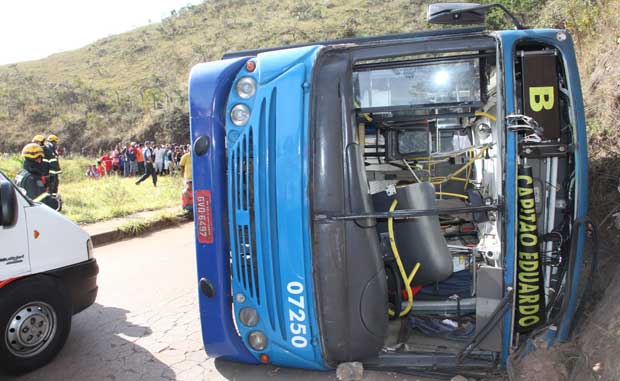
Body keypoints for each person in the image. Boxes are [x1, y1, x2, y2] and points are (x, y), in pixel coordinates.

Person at [14, 143, 60, 210]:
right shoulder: (33, 178)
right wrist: (57, 203)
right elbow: (41, 202)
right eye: (41, 158)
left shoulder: (21, 173)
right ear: (38, 159)